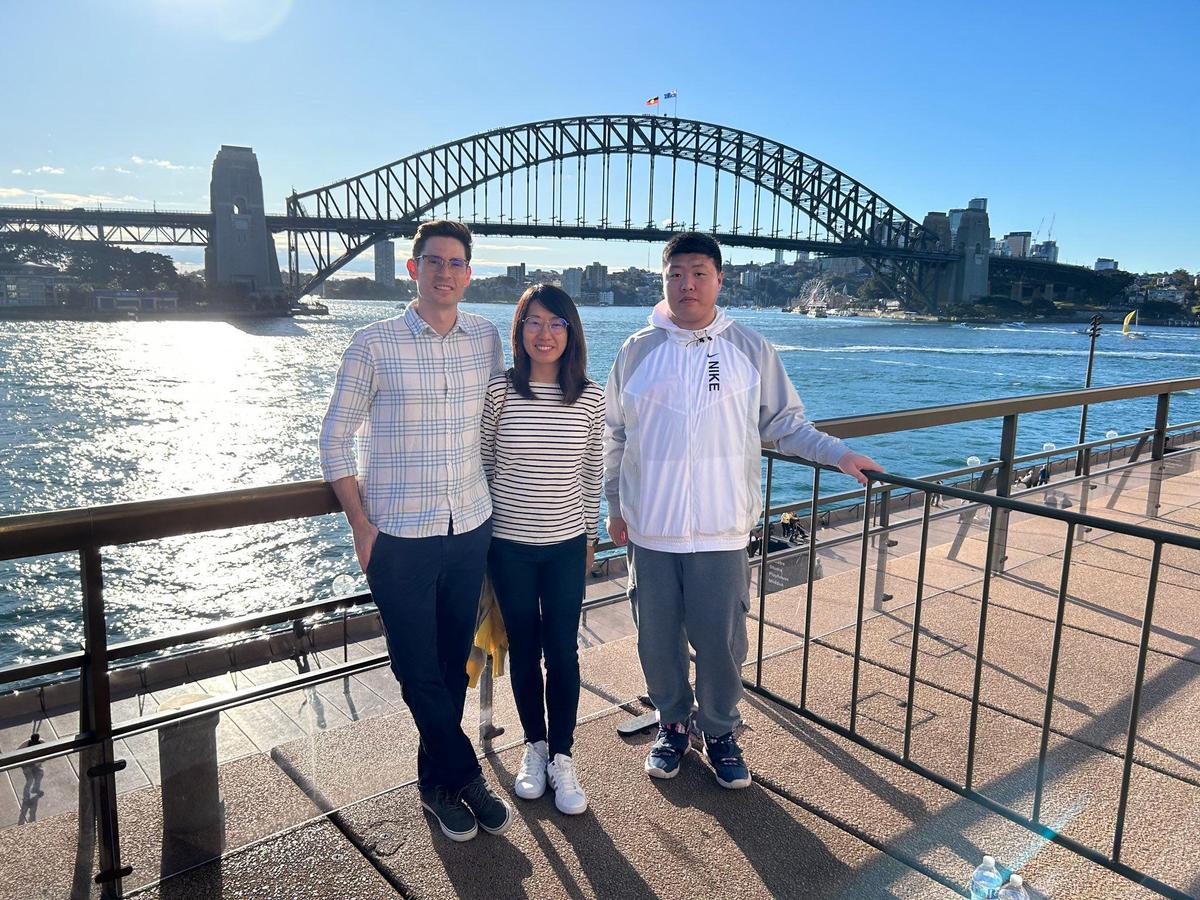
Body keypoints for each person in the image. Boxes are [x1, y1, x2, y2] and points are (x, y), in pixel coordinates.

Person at [603, 232, 881, 789]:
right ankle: (673, 724)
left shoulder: (750, 348)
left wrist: (840, 454)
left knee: (723, 643)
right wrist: (614, 505)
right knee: (656, 640)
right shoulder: (636, 350)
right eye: (676, 273)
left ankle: (720, 730)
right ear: (663, 279)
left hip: (723, 529)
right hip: (651, 530)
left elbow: (786, 425)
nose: (687, 284)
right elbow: (614, 436)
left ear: (719, 280)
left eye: (699, 273)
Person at [319, 220, 513, 843]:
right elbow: (333, 441)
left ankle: (436, 786)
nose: (445, 272)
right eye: (434, 261)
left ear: (469, 274)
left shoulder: (486, 338)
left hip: (469, 525)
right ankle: (465, 774)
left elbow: (497, 424)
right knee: (415, 667)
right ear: (413, 268)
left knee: (452, 664)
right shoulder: (372, 344)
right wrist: (360, 525)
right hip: (398, 534)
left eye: (456, 263)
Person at [481, 284, 604, 816]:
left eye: (556, 323)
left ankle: (562, 755)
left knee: (562, 652)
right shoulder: (500, 393)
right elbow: (485, 465)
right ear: (519, 330)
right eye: (533, 321)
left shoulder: (591, 397)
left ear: (571, 331)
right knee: (524, 650)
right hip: (508, 546)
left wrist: (590, 539)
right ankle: (534, 745)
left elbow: (592, 474)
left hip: (564, 548)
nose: (545, 333)